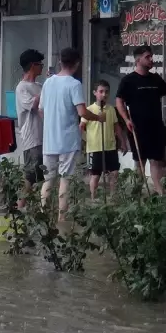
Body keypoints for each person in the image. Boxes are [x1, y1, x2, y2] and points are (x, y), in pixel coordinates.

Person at [40, 47, 104, 221]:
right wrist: (98, 117)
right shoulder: (74, 84)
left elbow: (41, 111)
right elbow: (82, 111)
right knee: (65, 179)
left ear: (60, 61)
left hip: (49, 140)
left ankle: (42, 216)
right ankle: (62, 220)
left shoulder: (48, 82)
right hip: (67, 140)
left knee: (48, 180)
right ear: (77, 63)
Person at [116, 44, 166, 194]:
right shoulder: (128, 80)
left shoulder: (155, 79)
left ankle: (159, 192)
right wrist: (126, 119)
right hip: (137, 127)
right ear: (138, 60)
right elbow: (119, 101)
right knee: (140, 162)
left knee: (156, 161)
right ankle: (137, 193)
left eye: (151, 56)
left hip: (156, 127)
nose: (151, 59)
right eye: (147, 57)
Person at [81, 80, 126, 199]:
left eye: (106, 92)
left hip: (110, 146)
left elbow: (116, 126)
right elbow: (81, 127)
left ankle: (112, 196)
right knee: (95, 175)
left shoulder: (111, 109)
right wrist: (83, 141)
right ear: (95, 93)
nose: (104, 94)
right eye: (101, 91)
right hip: (95, 147)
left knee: (114, 172)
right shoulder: (89, 110)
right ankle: (93, 197)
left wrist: (122, 141)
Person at [14, 49, 44, 198]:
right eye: (40, 64)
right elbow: (32, 105)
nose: (42, 67)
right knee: (30, 177)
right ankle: (20, 207)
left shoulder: (39, 85)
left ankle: (36, 208)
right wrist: (46, 91)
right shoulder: (22, 88)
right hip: (31, 139)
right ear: (33, 65)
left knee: (43, 176)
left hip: (44, 137)